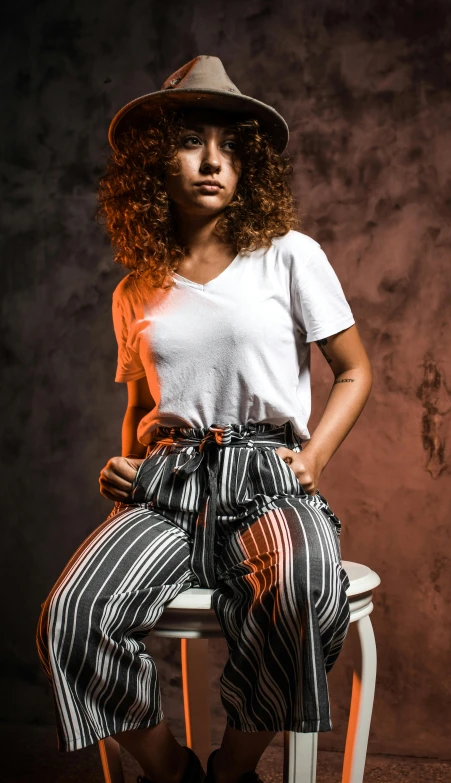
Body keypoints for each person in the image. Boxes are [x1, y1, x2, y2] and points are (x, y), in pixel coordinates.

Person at [35, 55, 372, 783]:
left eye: (230, 145)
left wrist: (312, 461)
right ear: (157, 161)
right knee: (72, 613)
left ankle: (232, 769)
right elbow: (139, 408)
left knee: (305, 585)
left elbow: (356, 370)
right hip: (167, 484)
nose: (214, 161)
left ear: (249, 162)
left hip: (267, 476)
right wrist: (121, 466)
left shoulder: (289, 257)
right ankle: (173, 772)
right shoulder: (136, 289)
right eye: (192, 141)